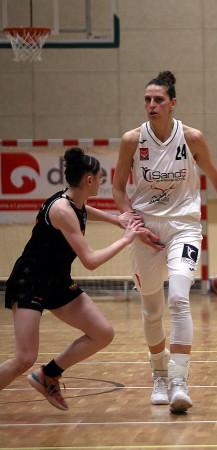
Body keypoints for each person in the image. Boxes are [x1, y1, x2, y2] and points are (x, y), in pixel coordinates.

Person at [113, 71, 217, 412]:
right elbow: (117, 188)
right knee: (151, 308)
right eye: (147, 99)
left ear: (172, 103)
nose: (151, 104)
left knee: (178, 297)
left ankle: (178, 381)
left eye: (158, 99)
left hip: (184, 227)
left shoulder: (192, 138)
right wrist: (132, 221)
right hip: (146, 229)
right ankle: (159, 376)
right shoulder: (132, 140)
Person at [1, 147, 145, 410]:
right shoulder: (61, 210)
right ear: (89, 180)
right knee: (24, 358)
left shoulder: (72, 202)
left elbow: (84, 209)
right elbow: (90, 261)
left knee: (102, 333)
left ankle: (48, 375)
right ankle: (40, 373)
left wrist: (116, 220)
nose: (101, 181)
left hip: (57, 282)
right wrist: (125, 239)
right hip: (29, 283)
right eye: (100, 178)